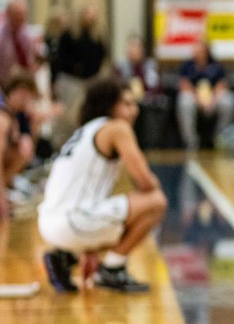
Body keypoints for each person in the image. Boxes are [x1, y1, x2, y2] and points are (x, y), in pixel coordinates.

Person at [38, 77, 167, 294]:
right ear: (109, 105)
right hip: (72, 222)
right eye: (126, 104)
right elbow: (145, 182)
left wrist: (90, 249)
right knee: (156, 202)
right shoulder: (117, 128)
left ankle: (67, 256)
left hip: (50, 222)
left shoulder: (87, 130)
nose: (134, 111)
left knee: (126, 214)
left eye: (134, 104)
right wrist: (154, 183)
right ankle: (112, 269)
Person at [52, 3, 108, 144]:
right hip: (70, 80)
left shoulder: (97, 36)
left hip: (90, 80)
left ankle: (83, 144)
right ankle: (61, 146)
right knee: (67, 117)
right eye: (88, 13)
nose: (91, 17)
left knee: (86, 115)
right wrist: (77, 68)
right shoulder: (69, 34)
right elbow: (60, 60)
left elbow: (102, 56)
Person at [176, 40, 234, 152]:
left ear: (206, 51)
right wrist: (198, 99)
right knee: (184, 101)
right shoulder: (187, 65)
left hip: (213, 100)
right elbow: (184, 84)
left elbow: (222, 84)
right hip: (194, 99)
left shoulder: (215, 65)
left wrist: (213, 100)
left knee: (229, 100)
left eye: (201, 50)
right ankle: (191, 142)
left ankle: (220, 139)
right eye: (196, 50)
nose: (198, 53)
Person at [0, 73, 37, 222]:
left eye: (29, 95)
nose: (26, 99)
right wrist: (0, 196)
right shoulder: (1, 117)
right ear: (13, 90)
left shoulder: (15, 117)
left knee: (25, 147)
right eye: (23, 93)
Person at [0, 0, 39, 92]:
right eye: (16, 16)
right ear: (8, 14)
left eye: (23, 15)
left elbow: (28, 62)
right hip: (0, 84)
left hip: (18, 85)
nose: (20, 19)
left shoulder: (25, 34)